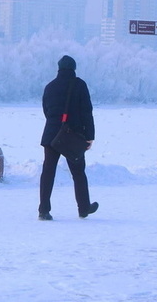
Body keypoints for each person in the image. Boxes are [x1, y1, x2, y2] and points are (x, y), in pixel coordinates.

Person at [38, 55, 98, 220]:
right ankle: (84, 207)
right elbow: (87, 112)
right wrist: (89, 136)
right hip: (72, 136)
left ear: (58, 69)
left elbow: (46, 110)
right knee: (78, 172)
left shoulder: (50, 87)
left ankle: (43, 210)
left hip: (51, 135)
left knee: (48, 172)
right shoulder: (79, 85)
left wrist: (54, 125)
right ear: (74, 68)